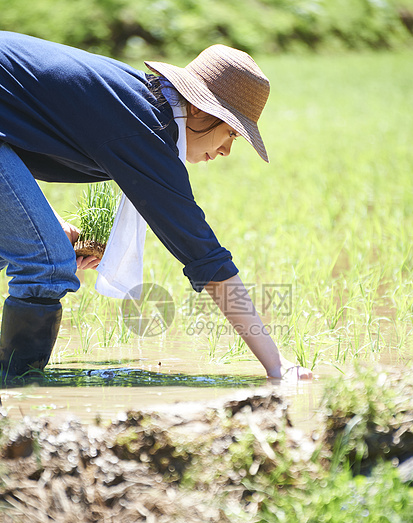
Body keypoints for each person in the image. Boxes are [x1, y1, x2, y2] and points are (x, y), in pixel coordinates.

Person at [0, 31, 312, 380]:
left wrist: (48, 221)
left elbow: (15, 133)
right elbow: (204, 256)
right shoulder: (144, 128)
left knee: (22, 248)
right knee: (47, 263)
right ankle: (17, 390)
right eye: (232, 132)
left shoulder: (139, 110)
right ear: (197, 107)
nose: (227, 150)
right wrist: (276, 363)